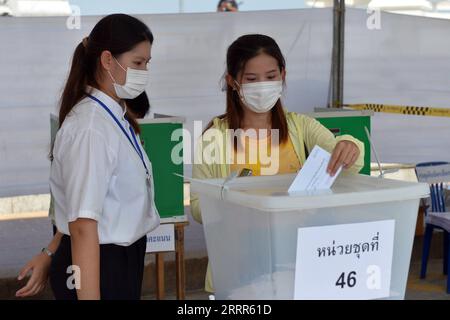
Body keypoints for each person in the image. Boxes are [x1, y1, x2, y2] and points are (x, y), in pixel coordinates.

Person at [190, 34, 365, 293]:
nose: (263, 85)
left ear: (283, 75)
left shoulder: (301, 127)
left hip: (300, 264)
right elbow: (196, 206)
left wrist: (350, 145)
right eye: (251, 79)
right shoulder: (214, 138)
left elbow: (354, 161)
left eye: (271, 76)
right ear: (233, 81)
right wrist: (232, 208)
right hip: (239, 269)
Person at [17, 14, 159, 300]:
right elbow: (82, 225)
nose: (144, 71)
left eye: (147, 63)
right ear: (108, 60)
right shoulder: (91, 128)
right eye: (138, 63)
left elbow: (87, 206)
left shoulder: (111, 116)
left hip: (117, 259)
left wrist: (49, 252)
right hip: (99, 263)